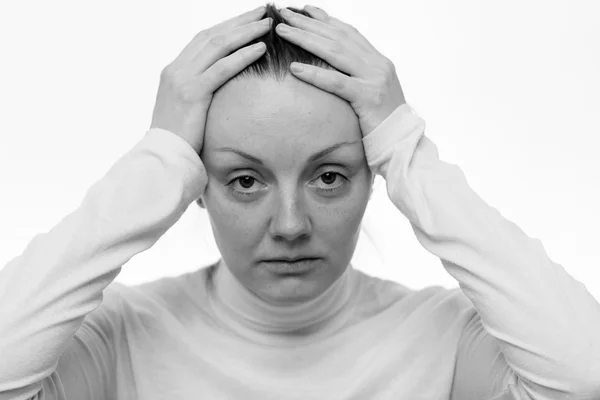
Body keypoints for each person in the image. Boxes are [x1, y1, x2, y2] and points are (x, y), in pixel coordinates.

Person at [0, 3, 598, 399]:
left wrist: (406, 150)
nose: (290, 225)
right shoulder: (118, 338)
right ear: (195, 187)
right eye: (244, 180)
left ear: (376, 178)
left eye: (330, 176)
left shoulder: (446, 338)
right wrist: (158, 161)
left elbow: (585, 375)